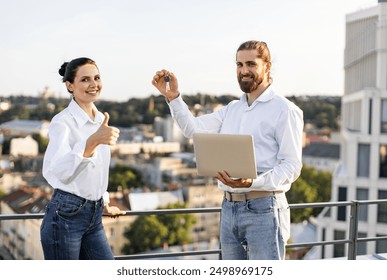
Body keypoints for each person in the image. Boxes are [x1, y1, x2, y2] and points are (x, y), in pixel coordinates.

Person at [152, 40, 304, 260]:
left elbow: (292, 166)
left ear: (267, 66)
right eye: (239, 64)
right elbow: (193, 130)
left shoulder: (285, 110)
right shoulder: (232, 109)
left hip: (264, 209)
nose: (244, 71)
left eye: (251, 64)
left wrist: (252, 182)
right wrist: (173, 97)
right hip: (229, 208)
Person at [40, 57, 126, 260]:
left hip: (94, 217)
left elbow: (98, 170)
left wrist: (104, 203)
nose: (93, 84)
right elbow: (56, 171)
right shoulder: (62, 122)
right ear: (70, 85)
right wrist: (91, 143)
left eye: (96, 77)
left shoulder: (100, 120)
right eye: (85, 79)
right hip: (65, 217)